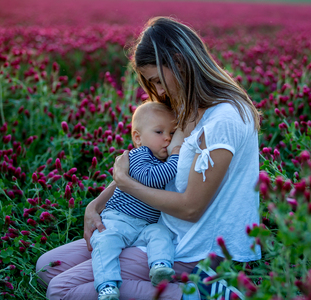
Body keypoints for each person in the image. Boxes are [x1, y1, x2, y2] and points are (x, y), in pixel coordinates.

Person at [36, 16, 261, 300]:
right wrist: (97, 203)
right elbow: (146, 171)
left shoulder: (224, 118)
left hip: (196, 249)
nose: (160, 91)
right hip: (158, 230)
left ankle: (199, 295)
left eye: (157, 80)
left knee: (61, 289)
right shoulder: (185, 107)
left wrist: (125, 183)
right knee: (46, 268)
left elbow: (192, 208)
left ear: (179, 63)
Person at [91, 101, 180, 300]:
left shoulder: (161, 160)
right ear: (138, 138)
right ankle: (107, 285)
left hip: (144, 226)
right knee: (105, 244)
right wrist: (176, 156)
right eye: (159, 132)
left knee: (161, 233)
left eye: (172, 133)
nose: (167, 138)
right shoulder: (139, 156)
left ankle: (160, 267)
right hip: (119, 220)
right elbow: (152, 178)